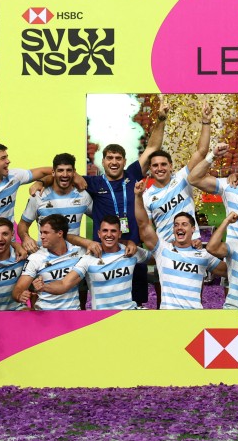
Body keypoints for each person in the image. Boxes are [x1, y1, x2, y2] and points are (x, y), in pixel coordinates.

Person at [35, 99, 170, 307]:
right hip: (103, 251)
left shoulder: (133, 173)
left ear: (125, 161)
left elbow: (152, 147)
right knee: (104, 297)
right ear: (102, 161)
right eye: (109, 158)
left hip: (132, 248)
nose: (114, 162)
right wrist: (40, 181)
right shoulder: (93, 182)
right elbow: (62, 175)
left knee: (136, 299)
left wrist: (161, 119)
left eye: (118, 158)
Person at [134, 182, 226, 309]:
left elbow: (231, 272)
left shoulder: (203, 255)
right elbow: (143, 225)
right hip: (169, 320)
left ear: (193, 229)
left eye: (184, 224)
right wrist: (138, 197)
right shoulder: (162, 249)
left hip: (194, 319)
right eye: (176, 225)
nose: (179, 227)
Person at [34, 215, 148, 311]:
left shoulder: (131, 251)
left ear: (119, 234)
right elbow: (64, 284)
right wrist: (44, 287)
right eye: (105, 231)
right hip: (101, 318)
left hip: (128, 313)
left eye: (113, 231)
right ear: (99, 234)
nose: (109, 235)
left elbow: (158, 258)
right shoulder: (88, 258)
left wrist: (131, 242)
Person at [140, 102, 212, 244]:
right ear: (150, 169)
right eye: (155, 165)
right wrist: (160, 250)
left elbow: (202, 151)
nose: (159, 168)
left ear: (171, 166)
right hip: (167, 253)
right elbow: (146, 229)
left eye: (163, 164)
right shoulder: (147, 197)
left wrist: (206, 122)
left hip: (193, 246)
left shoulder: (182, 178)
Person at [18, 153, 97, 255]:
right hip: (45, 258)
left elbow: (99, 218)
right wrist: (26, 238)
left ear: (74, 173)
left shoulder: (83, 196)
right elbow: (23, 224)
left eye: (69, 170)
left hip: (74, 258)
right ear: (53, 172)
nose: (64, 175)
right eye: (60, 170)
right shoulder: (39, 196)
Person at [12, 215, 84, 311]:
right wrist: (19, 295)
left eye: (46, 233)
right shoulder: (35, 257)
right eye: (41, 233)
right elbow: (19, 288)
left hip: (72, 313)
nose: (41, 236)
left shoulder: (79, 252)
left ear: (59, 233)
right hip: (44, 315)